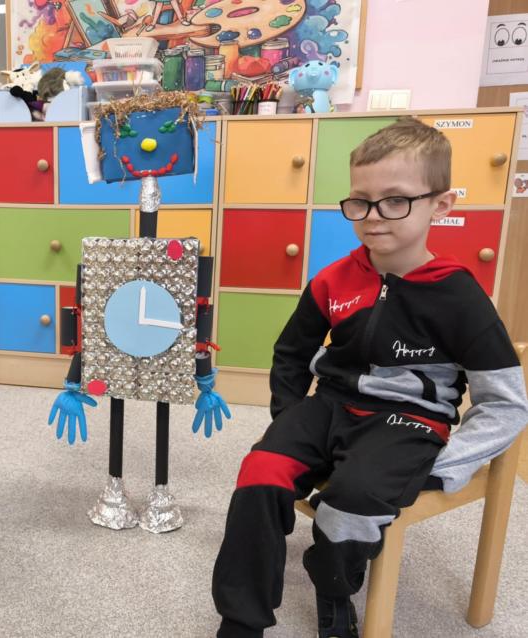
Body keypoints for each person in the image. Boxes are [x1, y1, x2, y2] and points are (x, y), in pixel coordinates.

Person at [211, 117, 528, 638]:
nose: (373, 216)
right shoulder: (333, 279)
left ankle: (334, 585)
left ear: (440, 205)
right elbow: (291, 354)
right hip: (328, 407)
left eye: (395, 200)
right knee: (259, 473)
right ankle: (241, 620)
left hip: (408, 421)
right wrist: (289, 419)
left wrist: (447, 464)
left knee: (350, 505)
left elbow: (506, 403)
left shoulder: (459, 296)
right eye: (360, 201)